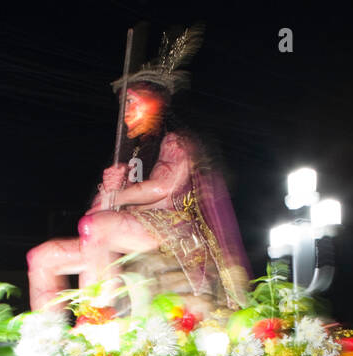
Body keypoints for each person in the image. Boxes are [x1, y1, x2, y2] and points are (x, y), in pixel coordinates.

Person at [25, 28, 249, 315]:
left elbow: (162, 187)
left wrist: (120, 194)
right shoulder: (126, 156)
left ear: (155, 102)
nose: (126, 112)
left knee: (96, 228)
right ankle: (47, 338)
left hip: (172, 232)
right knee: (43, 256)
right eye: (123, 105)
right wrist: (108, 190)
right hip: (124, 236)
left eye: (131, 102)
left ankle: (97, 318)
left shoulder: (176, 141)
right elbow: (95, 214)